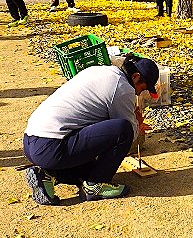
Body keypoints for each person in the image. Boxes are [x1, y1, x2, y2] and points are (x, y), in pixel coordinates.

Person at [23, 54, 160, 204]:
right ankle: (96, 185)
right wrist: (137, 123)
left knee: (91, 169)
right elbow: (127, 133)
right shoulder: (122, 88)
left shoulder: (100, 71)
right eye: (143, 88)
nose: (139, 93)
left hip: (32, 142)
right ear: (135, 76)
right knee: (124, 129)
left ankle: (47, 173)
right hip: (52, 146)